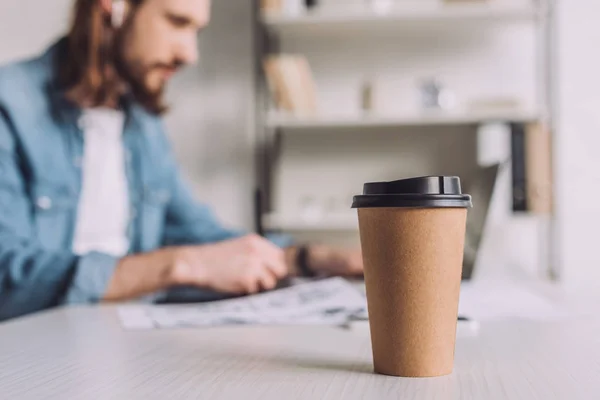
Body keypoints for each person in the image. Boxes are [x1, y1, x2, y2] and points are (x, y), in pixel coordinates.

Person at [0, 0, 363, 320]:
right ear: (114, 6)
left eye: (196, 31)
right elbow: (7, 277)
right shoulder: (10, 106)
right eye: (176, 22)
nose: (190, 54)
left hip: (120, 344)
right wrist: (179, 265)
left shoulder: (143, 127)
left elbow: (203, 237)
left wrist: (311, 258)